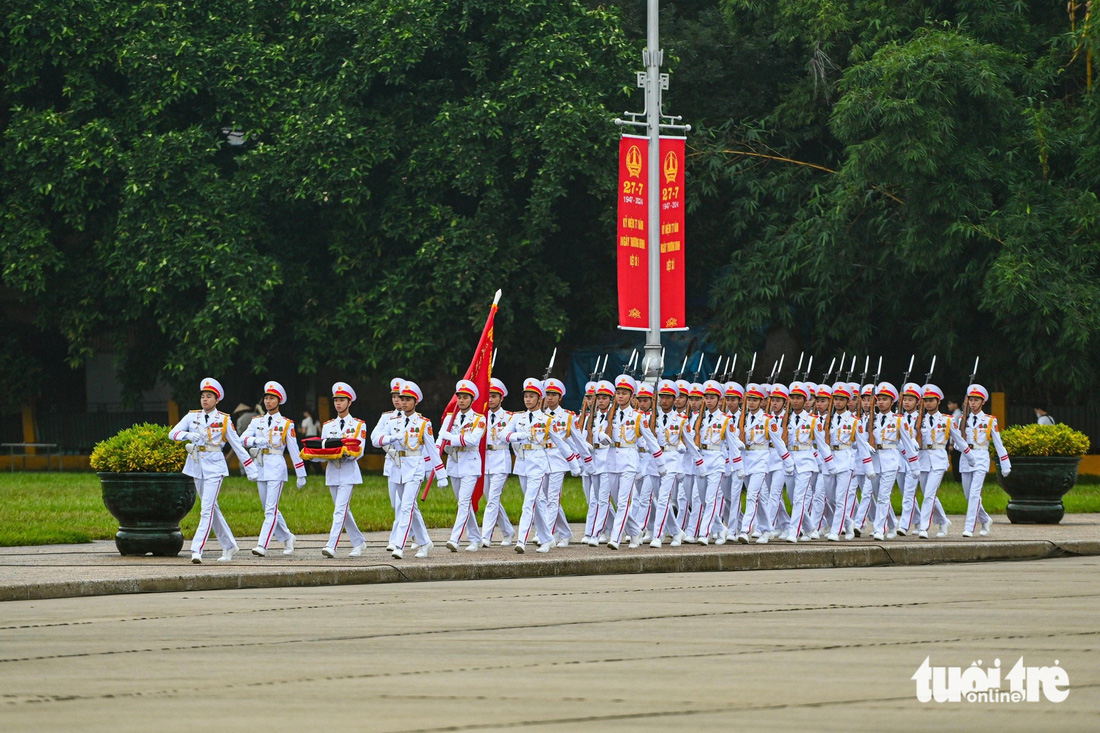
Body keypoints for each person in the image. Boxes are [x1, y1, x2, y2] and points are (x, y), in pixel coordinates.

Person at [169, 377, 257, 564]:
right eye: (203, 396)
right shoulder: (192, 416)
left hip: (215, 467)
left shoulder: (224, 420)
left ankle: (196, 549)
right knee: (212, 508)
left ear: (217, 400)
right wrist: (188, 435)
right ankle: (229, 545)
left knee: (206, 509)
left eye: (209, 396)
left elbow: (238, 446)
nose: (205, 399)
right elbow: (173, 433)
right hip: (196, 466)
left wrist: (250, 468)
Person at [379, 381, 447, 559]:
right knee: (412, 508)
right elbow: (376, 439)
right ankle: (425, 542)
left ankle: (399, 545)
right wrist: (391, 437)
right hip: (397, 467)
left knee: (406, 507)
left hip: (415, 468)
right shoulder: (393, 421)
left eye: (408, 399)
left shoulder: (423, 423)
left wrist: (441, 474)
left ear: (415, 402)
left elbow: (432, 449)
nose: (404, 402)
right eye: (402, 399)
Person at [240, 381, 306, 557]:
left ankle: (262, 545)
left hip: (277, 467)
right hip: (260, 466)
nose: (268, 401)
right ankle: (287, 536)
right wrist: (255, 441)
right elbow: (242, 439)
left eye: (272, 398)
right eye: (266, 398)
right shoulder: (257, 421)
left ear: (279, 401)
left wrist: (301, 474)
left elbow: (294, 450)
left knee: (270, 509)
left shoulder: (286, 424)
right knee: (268, 508)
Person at [315, 382, 370, 558]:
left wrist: (345, 453)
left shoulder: (358, 425)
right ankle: (359, 542)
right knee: (343, 510)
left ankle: (332, 545)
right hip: (332, 471)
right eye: (336, 400)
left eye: (342, 400)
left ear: (349, 402)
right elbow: (323, 448)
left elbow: (359, 451)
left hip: (348, 471)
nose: (338, 403)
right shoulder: (328, 425)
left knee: (339, 510)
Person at [956, 384, 1012, 537]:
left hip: (981, 457)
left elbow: (998, 443)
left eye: (976, 400)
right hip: (965, 458)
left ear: (983, 402)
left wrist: (1005, 463)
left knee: (975, 494)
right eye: (971, 400)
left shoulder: (989, 421)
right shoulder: (962, 419)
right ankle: (985, 519)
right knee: (968, 495)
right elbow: (956, 444)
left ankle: (969, 527)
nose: (973, 403)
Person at [439, 379, 487, 553]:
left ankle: (455, 538)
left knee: (464, 502)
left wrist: (449, 438)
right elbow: (440, 441)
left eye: (465, 397)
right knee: (462, 503)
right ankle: (475, 538)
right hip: (454, 464)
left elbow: (473, 440)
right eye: (459, 397)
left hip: (470, 465)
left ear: (472, 399)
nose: (461, 400)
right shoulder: (451, 419)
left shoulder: (479, 419)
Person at [479, 378, 517, 546]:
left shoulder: (510, 417)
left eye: (494, 396)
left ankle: (486, 536)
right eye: (488, 396)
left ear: (501, 398)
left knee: (493, 498)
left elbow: (516, 442)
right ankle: (508, 531)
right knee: (490, 498)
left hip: (501, 459)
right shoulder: (480, 416)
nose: (491, 399)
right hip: (485, 460)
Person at [300, 409, 321, 474]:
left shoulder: (305, 421)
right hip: (315, 439)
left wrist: (299, 431)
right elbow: (320, 431)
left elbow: (303, 432)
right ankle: (319, 471)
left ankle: (306, 471)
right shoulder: (316, 421)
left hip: (308, 439)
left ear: (306, 413)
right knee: (315, 454)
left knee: (307, 455)